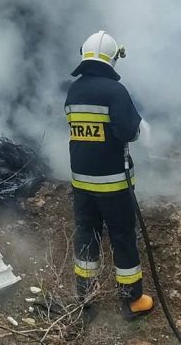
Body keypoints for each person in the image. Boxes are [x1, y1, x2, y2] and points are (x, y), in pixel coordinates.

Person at [66, 30, 155, 320]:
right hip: (113, 185)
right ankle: (132, 300)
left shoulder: (73, 91)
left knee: (86, 235)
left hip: (81, 183)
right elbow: (128, 131)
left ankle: (86, 295)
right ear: (112, 59)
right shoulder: (115, 91)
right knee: (122, 237)